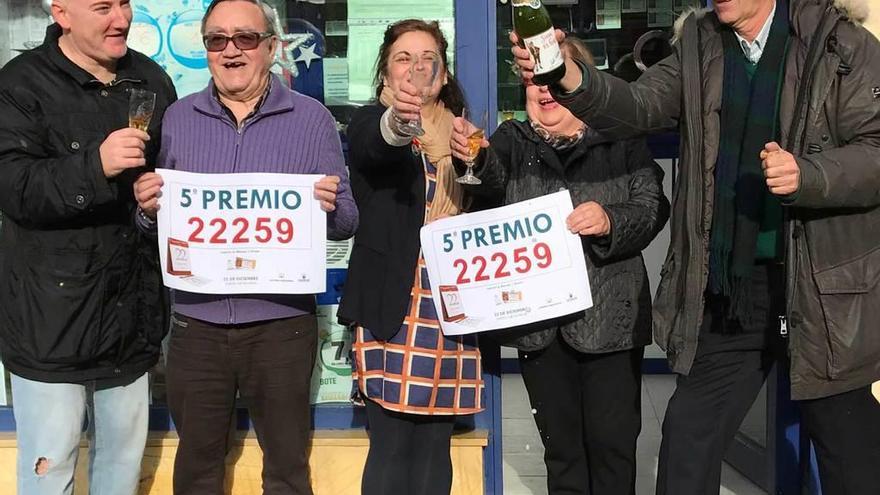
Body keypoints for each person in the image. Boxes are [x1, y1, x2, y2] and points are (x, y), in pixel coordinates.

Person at [511, 0, 880, 493]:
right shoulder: (698, 47)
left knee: (848, 451)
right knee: (687, 440)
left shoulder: (842, 44)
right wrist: (565, 73)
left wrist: (810, 175)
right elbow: (636, 108)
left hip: (820, 289)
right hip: (732, 288)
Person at [132, 1, 357, 493]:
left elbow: (345, 223)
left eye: (245, 39)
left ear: (272, 48)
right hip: (196, 328)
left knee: (286, 470)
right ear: (207, 49)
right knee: (195, 472)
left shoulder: (312, 118)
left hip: (281, 327)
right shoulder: (177, 118)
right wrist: (148, 209)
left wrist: (329, 201)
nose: (231, 51)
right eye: (217, 40)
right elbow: (160, 225)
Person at [451, 38, 669, 495]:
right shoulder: (513, 140)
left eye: (553, 81)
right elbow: (487, 184)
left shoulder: (620, 135)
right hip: (541, 327)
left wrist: (610, 220)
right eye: (533, 83)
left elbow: (652, 207)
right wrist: (472, 158)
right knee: (562, 453)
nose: (543, 92)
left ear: (579, 84)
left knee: (612, 449)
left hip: (611, 321)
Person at [0, 0, 176, 493]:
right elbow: (12, 187)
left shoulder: (151, 79)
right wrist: (93, 166)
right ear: (61, 13)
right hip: (50, 323)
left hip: (132, 317)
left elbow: (170, 181)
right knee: (48, 470)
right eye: (102, 7)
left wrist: (153, 198)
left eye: (124, 3)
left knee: (121, 469)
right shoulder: (19, 85)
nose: (121, 19)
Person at [337, 19, 483, 495]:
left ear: (442, 75)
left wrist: (479, 160)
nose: (417, 69)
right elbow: (377, 145)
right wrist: (400, 120)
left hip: (450, 304)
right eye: (404, 58)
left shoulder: (465, 133)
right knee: (391, 445)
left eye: (428, 60)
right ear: (386, 72)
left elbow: (494, 196)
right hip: (392, 304)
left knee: (434, 448)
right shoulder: (368, 122)